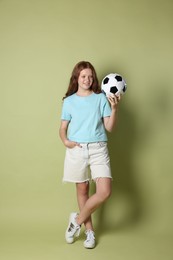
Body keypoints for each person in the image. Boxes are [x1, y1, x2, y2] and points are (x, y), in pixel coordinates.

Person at [59, 61, 121, 249]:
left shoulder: (101, 98)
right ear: (76, 78)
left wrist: (115, 109)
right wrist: (66, 141)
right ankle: (90, 233)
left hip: (98, 149)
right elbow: (62, 128)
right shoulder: (69, 102)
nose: (87, 79)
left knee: (104, 192)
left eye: (90, 76)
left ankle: (76, 221)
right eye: (83, 76)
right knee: (83, 191)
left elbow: (109, 127)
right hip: (76, 149)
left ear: (94, 79)